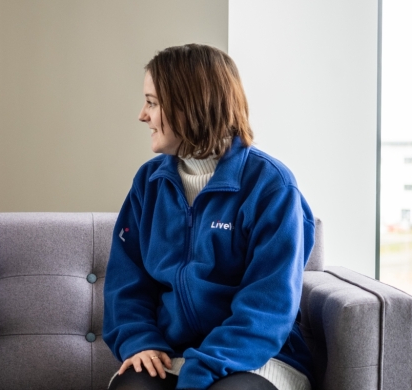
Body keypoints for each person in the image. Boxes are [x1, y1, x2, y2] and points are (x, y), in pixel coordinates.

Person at [102, 44, 314, 390]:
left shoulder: (271, 187)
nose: (143, 115)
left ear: (190, 106)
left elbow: (267, 307)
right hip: (171, 356)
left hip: (256, 358)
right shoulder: (148, 183)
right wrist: (140, 341)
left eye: (153, 103)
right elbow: (126, 283)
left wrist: (201, 371)